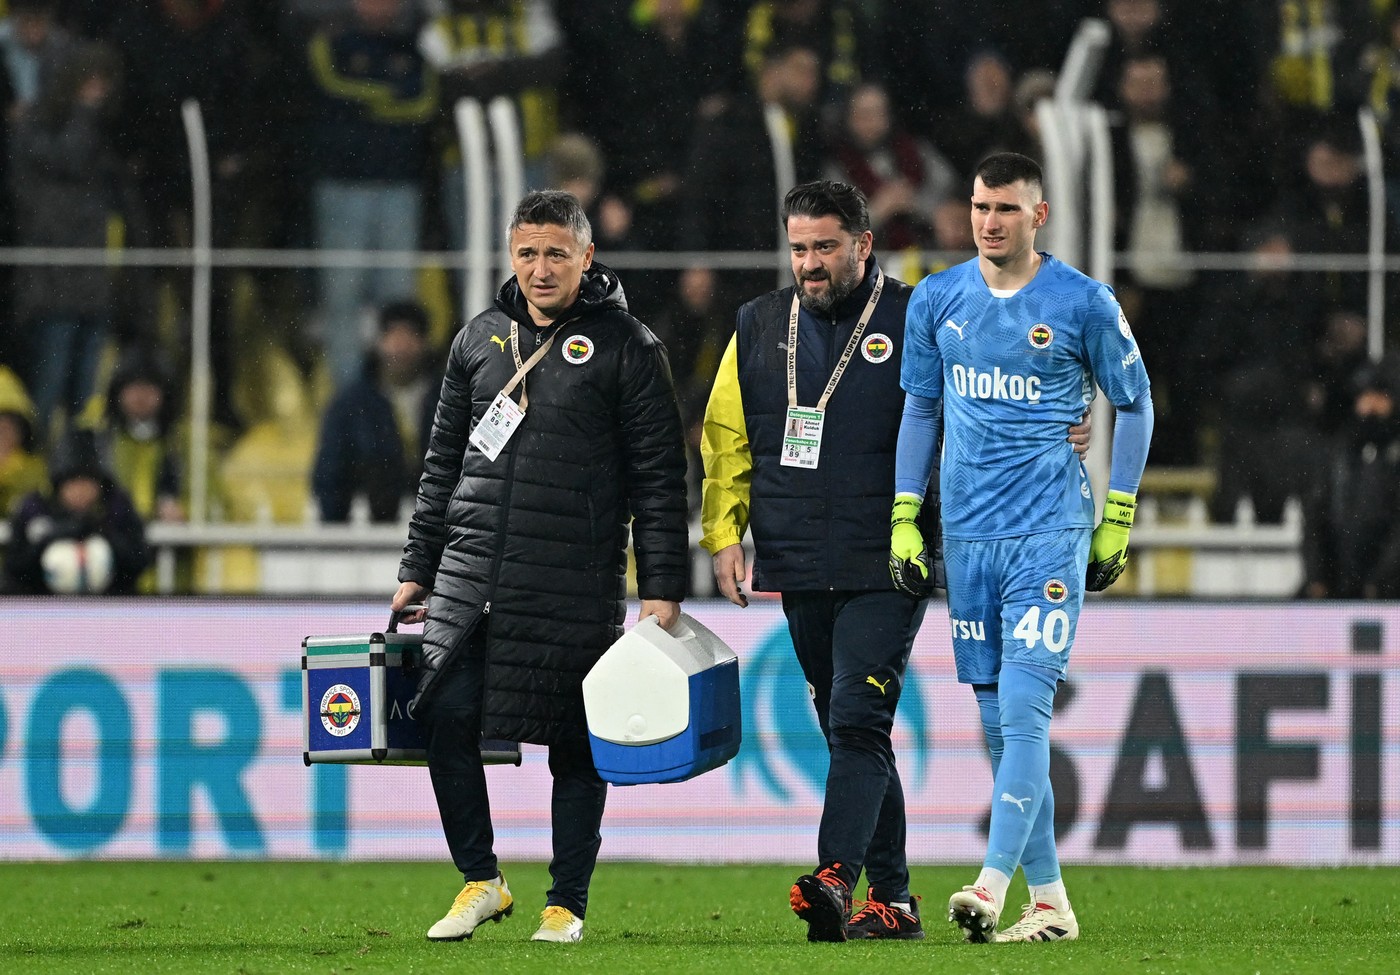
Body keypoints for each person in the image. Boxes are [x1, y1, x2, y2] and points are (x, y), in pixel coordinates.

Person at [700, 180, 1093, 943]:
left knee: (856, 715)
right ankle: (897, 899)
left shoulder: (921, 312)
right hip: (796, 552)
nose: (810, 264)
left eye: (825, 247)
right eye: (799, 248)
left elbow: (996, 384)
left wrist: (1060, 420)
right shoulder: (755, 324)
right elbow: (725, 431)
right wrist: (724, 531)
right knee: (849, 727)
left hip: (891, 553)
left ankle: (835, 876)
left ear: (863, 244)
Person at [389, 190, 688, 945]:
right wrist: (417, 563)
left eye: (557, 253)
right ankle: (482, 879)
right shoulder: (476, 341)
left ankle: (567, 901)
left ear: (588, 257)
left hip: (572, 576)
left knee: (575, 740)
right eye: (528, 253)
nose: (541, 268)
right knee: (444, 713)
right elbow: (442, 465)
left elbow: (659, 477)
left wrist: (660, 586)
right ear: (510, 256)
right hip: (470, 572)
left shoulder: (629, 346)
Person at [891, 152, 1153, 943]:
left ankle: (991, 882)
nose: (989, 221)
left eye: (1005, 207)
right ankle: (1052, 903)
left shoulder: (1082, 302)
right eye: (978, 206)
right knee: (995, 721)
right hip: (968, 537)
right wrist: (907, 513)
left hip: (1049, 530)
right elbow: (921, 410)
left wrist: (1118, 513)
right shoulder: (937, 298)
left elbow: (1134, 407)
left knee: (1027, 707)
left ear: (1038, 214)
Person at [312, 300, 439, 523]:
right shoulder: (351, 405)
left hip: (439, 529)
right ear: (378, 341)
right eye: (393, 336)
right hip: (366, 528)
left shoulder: (450, 399)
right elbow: (329, 474)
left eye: (410, 336)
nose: (401, 347)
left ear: (425, 343)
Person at [4, 428, 149, 594]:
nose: (80, 491)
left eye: (87, 481)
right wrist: (49, 540)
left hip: (110, 607)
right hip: (44, 609)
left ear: (100, 484)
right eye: (73, 481)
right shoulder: (34, 508)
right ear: (59, 484)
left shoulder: (117, 507)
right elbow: (15, 569)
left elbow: (138, 562)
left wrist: (102, 532)